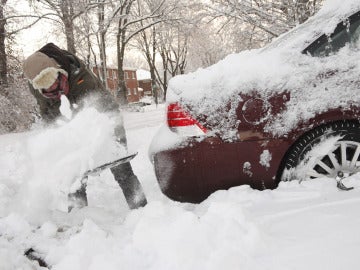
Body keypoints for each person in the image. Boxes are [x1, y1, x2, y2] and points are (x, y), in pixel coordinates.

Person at [22, 43, 147, 211]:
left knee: (121, 168)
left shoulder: (81, 77)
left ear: (58, 70)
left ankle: (141, 208)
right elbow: (50, 115)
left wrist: (114, 144)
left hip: (103, 115)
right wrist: (61, 141)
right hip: (74, 124)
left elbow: (101, 112)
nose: (51, 87)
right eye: (45, 86)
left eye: (52, 80)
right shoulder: (39, 89)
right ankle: (78, 216)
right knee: (74, 173)